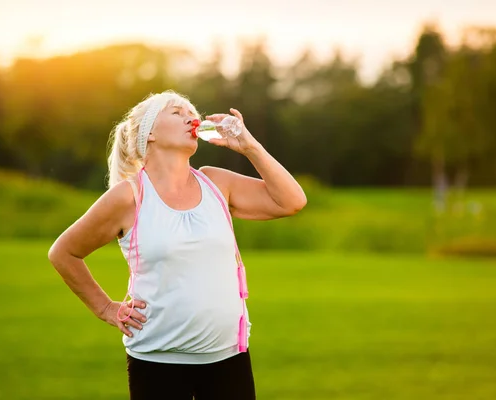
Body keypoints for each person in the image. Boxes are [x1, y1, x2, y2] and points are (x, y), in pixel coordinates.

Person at [48, 90, 307, 399]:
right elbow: (64, 252)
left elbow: (292, 201)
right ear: (150, 134)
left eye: (191, 111)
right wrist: (105, 307)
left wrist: (249, 147)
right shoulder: (128, 197)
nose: (191, 116)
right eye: (176, 112)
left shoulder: (216, 183)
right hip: (158, 364)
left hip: (229, 358)